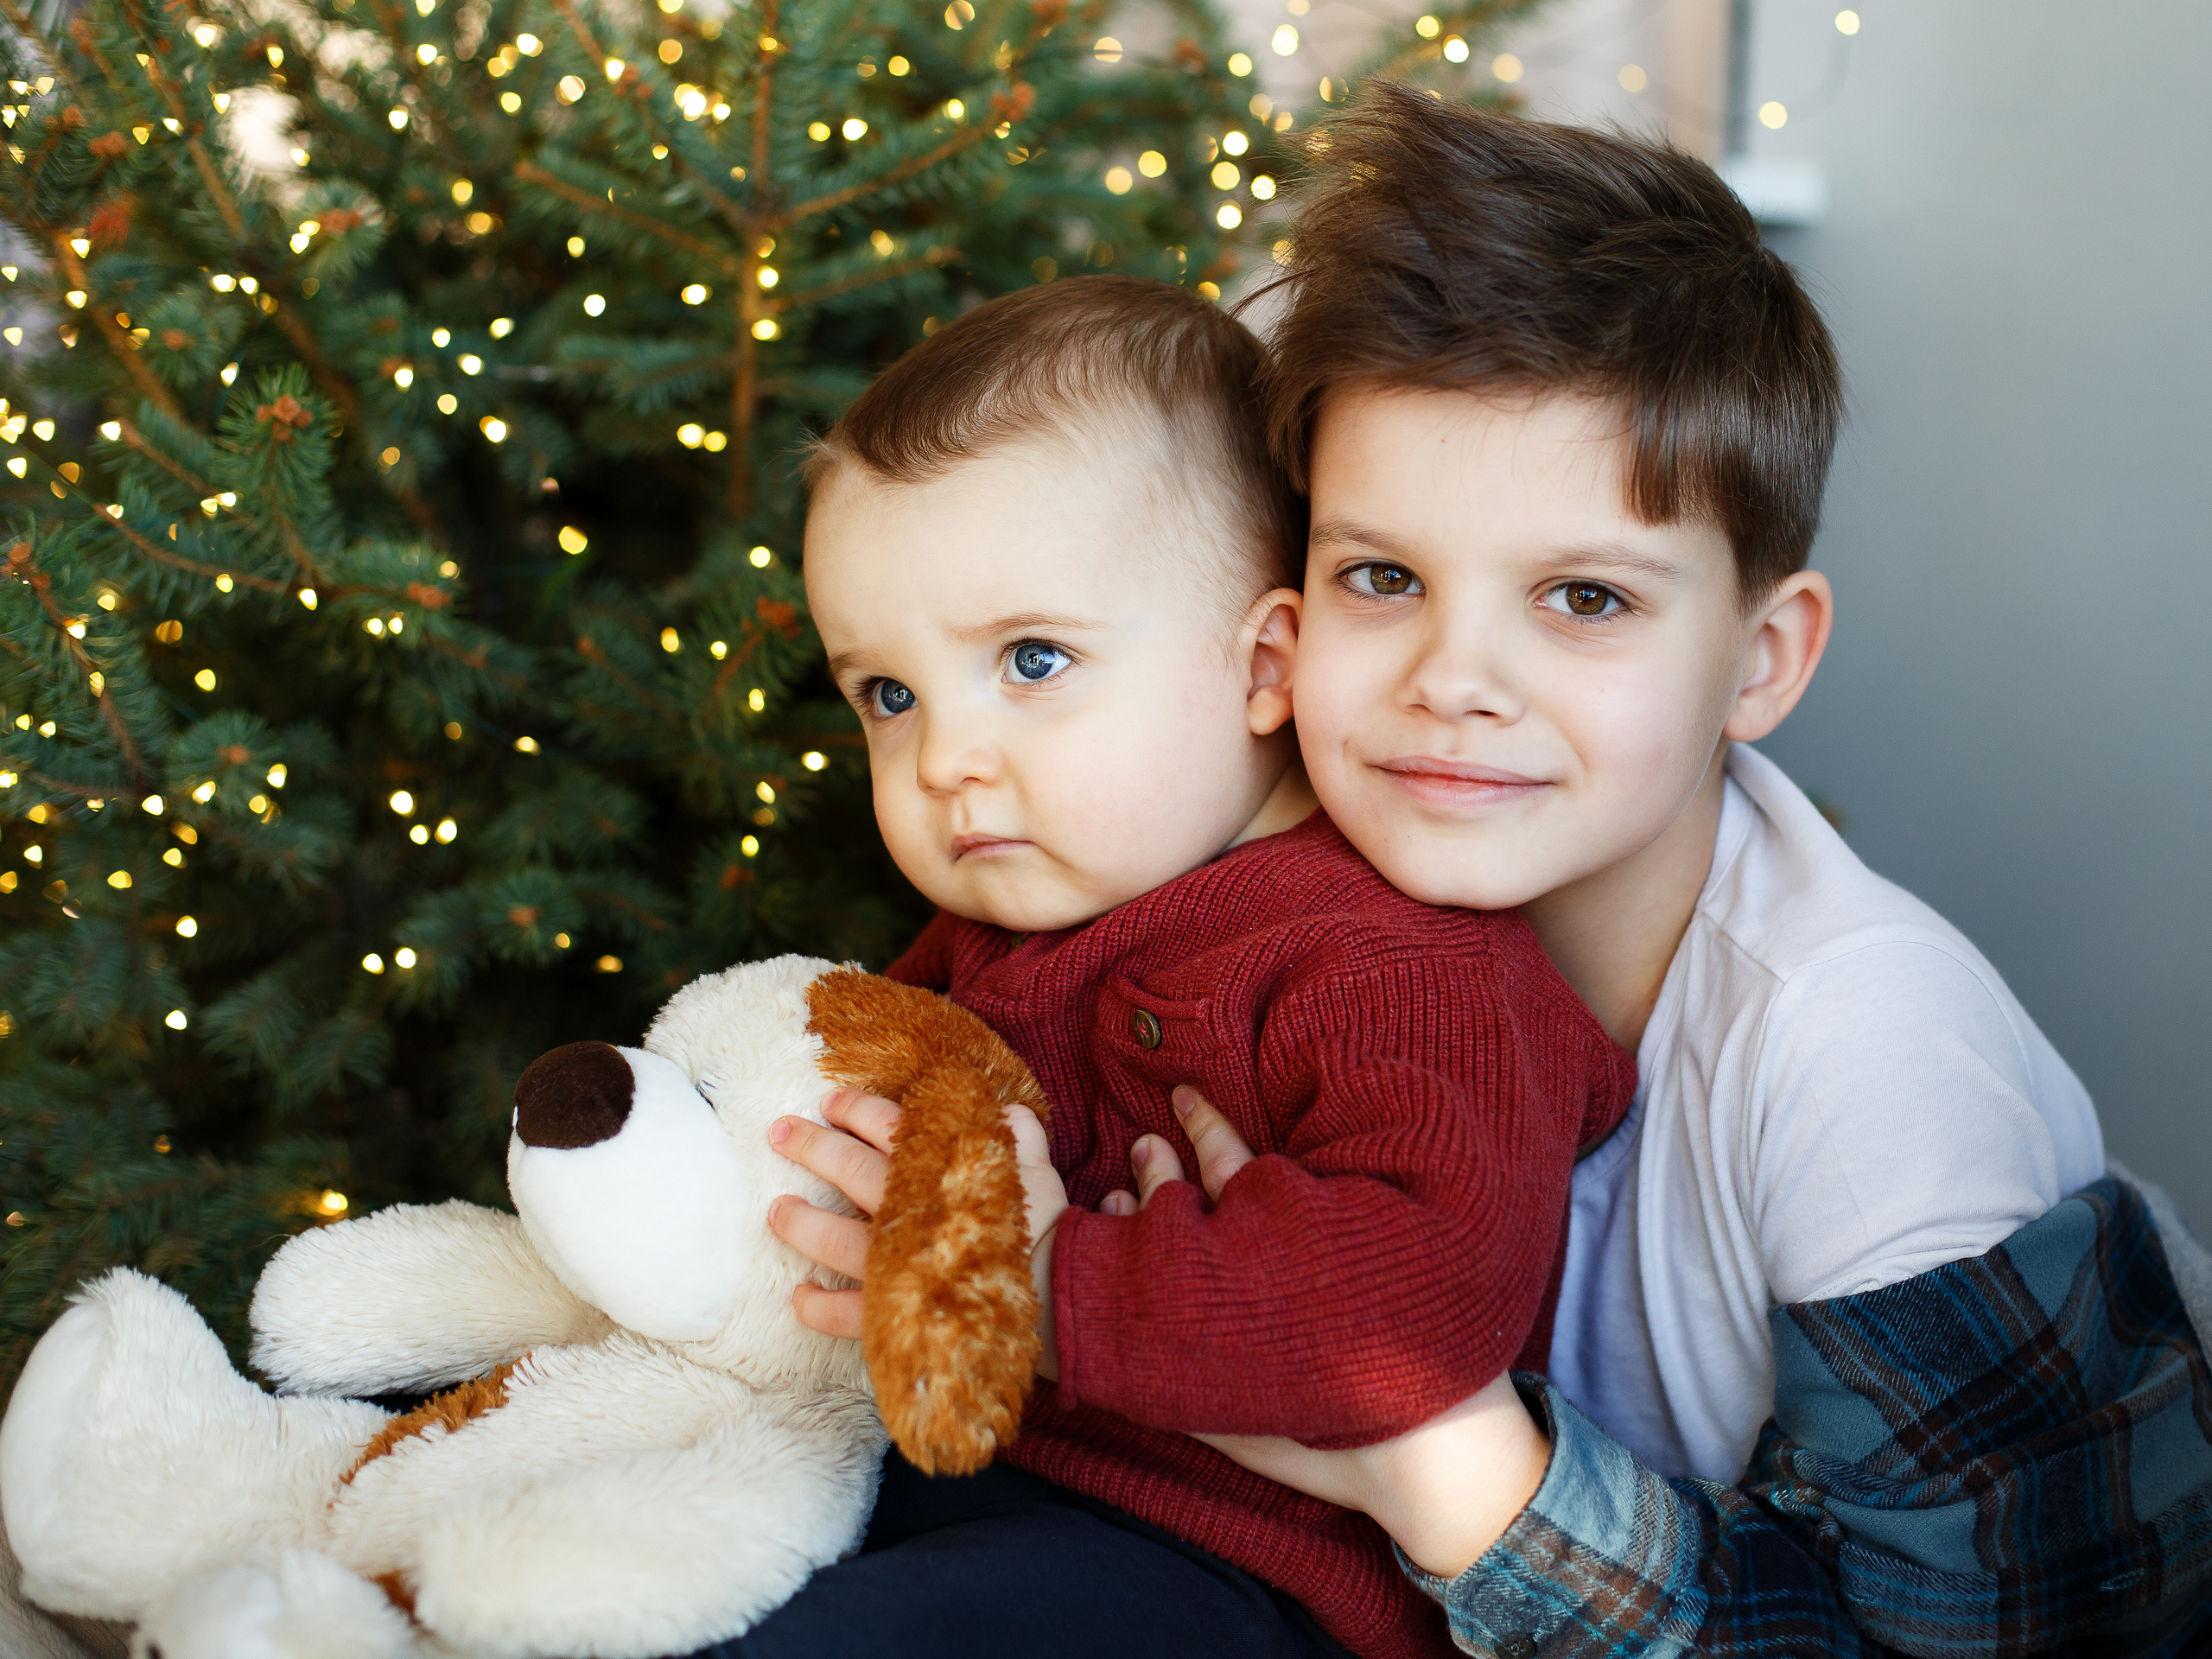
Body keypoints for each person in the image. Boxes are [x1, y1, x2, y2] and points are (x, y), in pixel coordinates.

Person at [775, 91, 2212, 1656]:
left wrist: (1448, 1476)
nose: (1454, 679)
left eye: (1585, 598)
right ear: (1279, 613)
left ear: (1761, 657)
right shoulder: (1247, 895)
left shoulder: (1862, 1072)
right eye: (1382, 576)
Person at [688, 274, 1634, 1659]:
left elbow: (1422, 1299)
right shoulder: (1020, 912)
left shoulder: (1394, 960)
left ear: (1263, 665)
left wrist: (1051, 1272)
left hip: (1234, 1566)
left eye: (1031, 660)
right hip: (953, 1467)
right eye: (888, 696)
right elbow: (856, 1106)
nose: (946, 757)